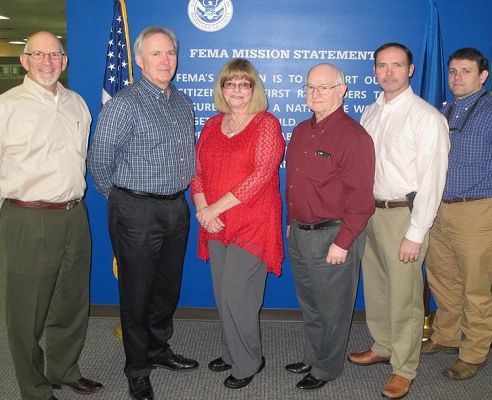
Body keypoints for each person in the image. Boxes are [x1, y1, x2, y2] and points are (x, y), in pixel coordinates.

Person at [0, 31, 102, 400]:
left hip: (75, 214)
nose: (46, 61)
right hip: (28, 217)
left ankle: (63, 368)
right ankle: (35, 388)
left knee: (71, 301)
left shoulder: (77, 105)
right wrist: (11, 209)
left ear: (64, 61)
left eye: (54, 55)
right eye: (37, 54)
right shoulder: (4, 108)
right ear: (23, 61)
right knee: (27, 310)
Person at [87, 26, 198, 400]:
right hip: (136, 210)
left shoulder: (182, 102)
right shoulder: (125, 103)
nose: (165, 60)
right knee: (136, 293)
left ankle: (158, 349)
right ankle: (137, 368)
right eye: (155, 54)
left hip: (175, 209)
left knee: (166, 290)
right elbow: (99, 162)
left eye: (170, 53)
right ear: (138, 60)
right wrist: (125, 201)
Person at [346, 43, 449, 399]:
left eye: (396, 66)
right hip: (370, 213)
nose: (388, 72)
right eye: (382, 66)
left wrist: (416, 233)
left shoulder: (427, 118)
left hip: (403, 216)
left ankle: (405, 368)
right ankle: (383, 345)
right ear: (375, 71)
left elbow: (433, 182)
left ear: (411, 70)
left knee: (405, 297)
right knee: (376, 286)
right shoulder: (370, 112)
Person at [421, 48, 492, 380]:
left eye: (466, 71)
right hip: (441, 209)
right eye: (453, 71)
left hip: (478, 211)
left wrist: (486, 199)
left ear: (483, 76)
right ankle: (447, 334)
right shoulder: (445, 110)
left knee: (475, 285)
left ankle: (474, 351)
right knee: (443, 279)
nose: (457, 77)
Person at [190, 58, 285, 389]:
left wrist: (213, 208)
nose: (237, 91)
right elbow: (197, 171)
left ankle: (249, 361)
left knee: (238, 292)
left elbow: (260, 177)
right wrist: (204, 210)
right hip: (215, 223)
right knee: (222, 293)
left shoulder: (266, 124)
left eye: (244, 84)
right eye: (230, 84)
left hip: (253, 223)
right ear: (221, 88)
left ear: (254, 88)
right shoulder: (213, 124)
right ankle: (232, 351)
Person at [285, 63, 375, 391]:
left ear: (342, 90)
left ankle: (327, 369)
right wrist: (290, 223)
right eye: (310, 87)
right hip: (300, 233)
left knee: (333, 310)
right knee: (311, 303)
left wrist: (344, 242)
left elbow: (361, 199)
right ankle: (313, 356)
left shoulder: (354, 137)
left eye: (324, 87)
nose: (315, 94)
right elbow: (295, 185)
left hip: (333, 236)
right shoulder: (300, 131)